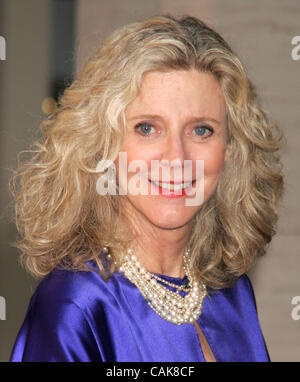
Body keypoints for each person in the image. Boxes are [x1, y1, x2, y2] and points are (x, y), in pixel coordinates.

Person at [9, 15, 284, 362]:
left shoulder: (230, 291)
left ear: (229, 150)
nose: (176, 156)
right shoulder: (76, 306)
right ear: (105, 146)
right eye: (147, 128)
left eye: (201, 130)